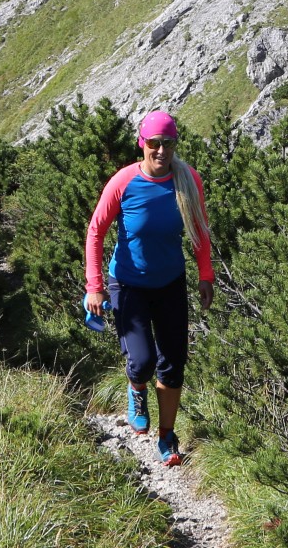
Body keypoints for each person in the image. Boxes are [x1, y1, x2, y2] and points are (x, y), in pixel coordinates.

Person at [85, 109, 215, 466]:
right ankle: (136, 389)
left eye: (168, 144)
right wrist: (94, 286)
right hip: (128, 284)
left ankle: (167, 437)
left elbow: (199, 229)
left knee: (173, 364)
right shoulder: (124, 181)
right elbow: (96, 231)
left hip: (170, 282)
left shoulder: (188, 180)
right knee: (141, 362)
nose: (161, 151)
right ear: (142, 144)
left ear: (174, 145)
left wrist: (206, 275)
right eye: (154, 143)